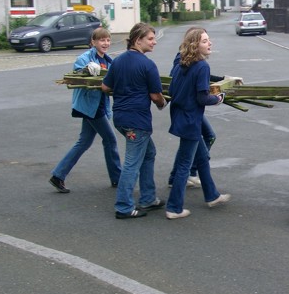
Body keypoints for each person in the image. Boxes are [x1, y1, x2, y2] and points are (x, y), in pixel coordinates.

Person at [101, 23, 167, 219]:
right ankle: (123, 207)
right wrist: (163, 103)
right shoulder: (147, 64)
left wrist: (124, 88)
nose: (154, 42)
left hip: (120, 118)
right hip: (137, 121)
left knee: (149, 153)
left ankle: (148, 198)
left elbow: (105, 87)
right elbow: (156, 96)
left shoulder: (118, 61)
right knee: (132, 163)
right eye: (150, 39)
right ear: (138, 40)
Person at [165, 28, 231, 220]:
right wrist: (219, 98)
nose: (209, 43)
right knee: (185, 166)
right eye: (204, 41)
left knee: (201, 159)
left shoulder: (180, 64)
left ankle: (212, 196)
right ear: (195, 45)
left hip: (180, 116)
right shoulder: (202, 66)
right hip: (191, 121)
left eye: (209, 40)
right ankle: (174, 208)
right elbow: (202, 98)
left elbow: (173, 90)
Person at [49, 27, 122, 193]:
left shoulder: (109, 62)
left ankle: (58, 175)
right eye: (102, 40)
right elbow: (77, 74)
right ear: (93, 42)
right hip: (90, 107)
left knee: (84, 142)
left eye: (108, 40)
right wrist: (86, 70)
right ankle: (117, 178)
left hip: (99, 107)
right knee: (110, 140)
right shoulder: (84, 58)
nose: (105, 43)